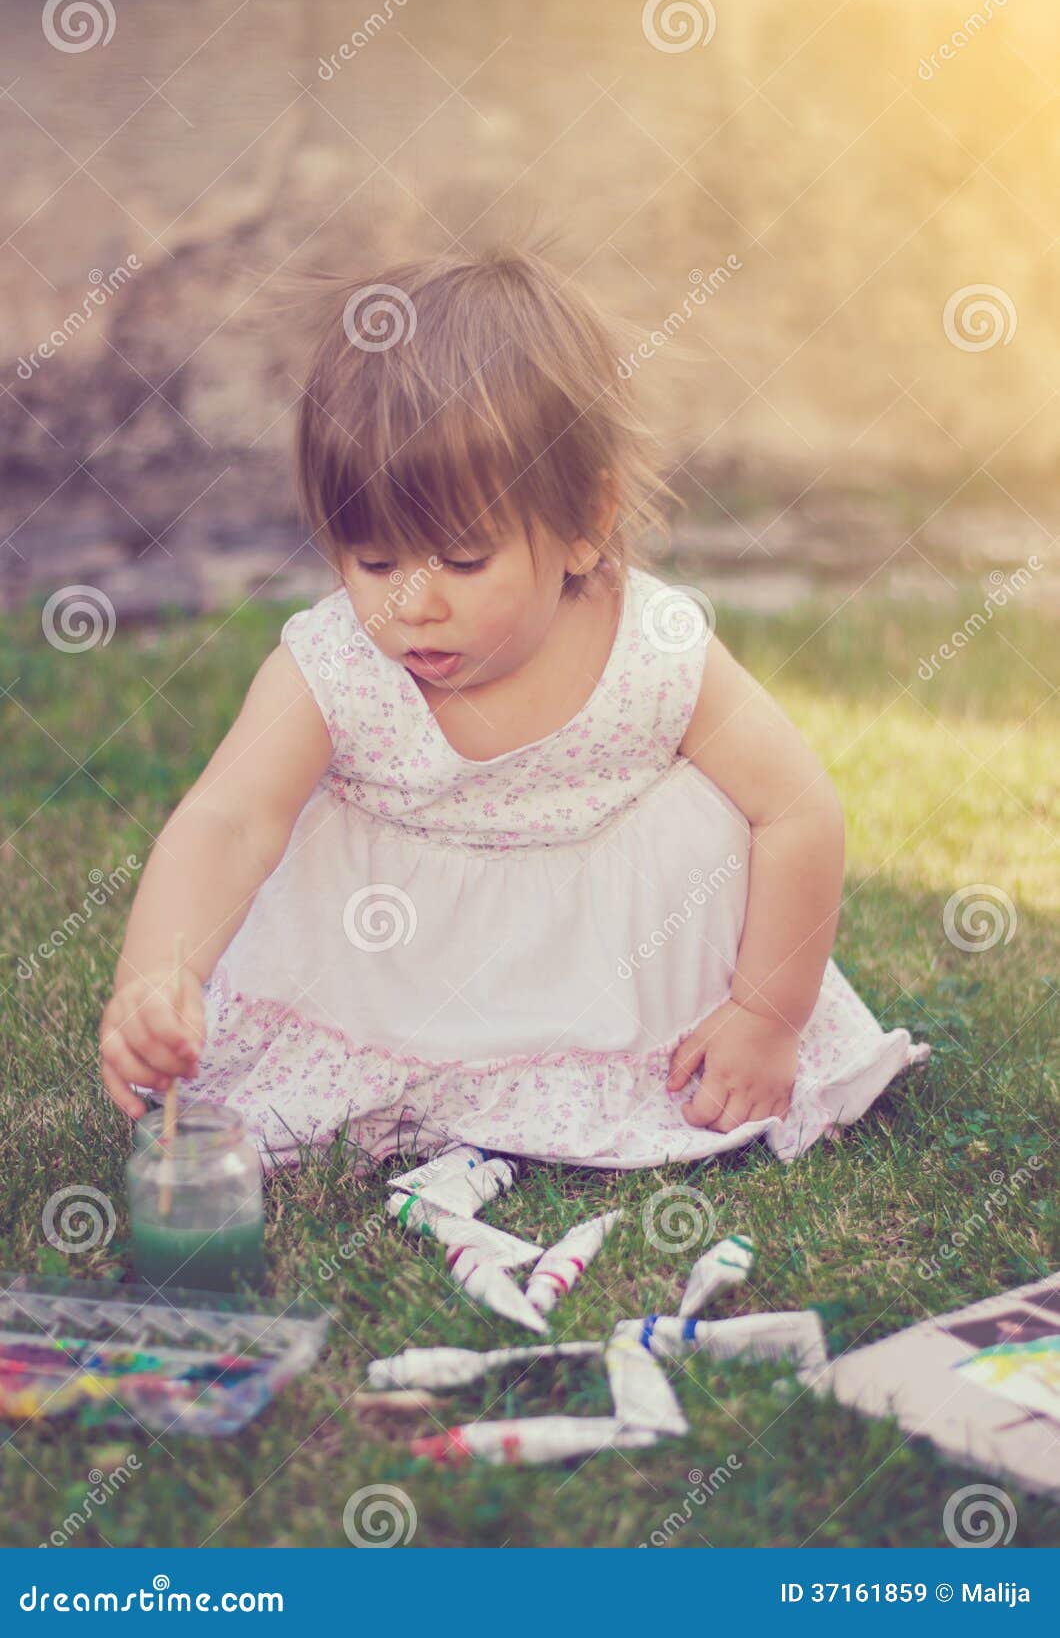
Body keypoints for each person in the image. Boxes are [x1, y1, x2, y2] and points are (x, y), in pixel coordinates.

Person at [97, 245, 930, 1171]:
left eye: (460, 561)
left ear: (584, 527)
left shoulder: (650, 647)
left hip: (621, 976)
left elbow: (796, 808)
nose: (413, 602)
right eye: (375, 562)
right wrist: (158, 977)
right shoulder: (336, 666)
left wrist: (769, 1015)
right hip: (398, 971)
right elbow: (229, 822)